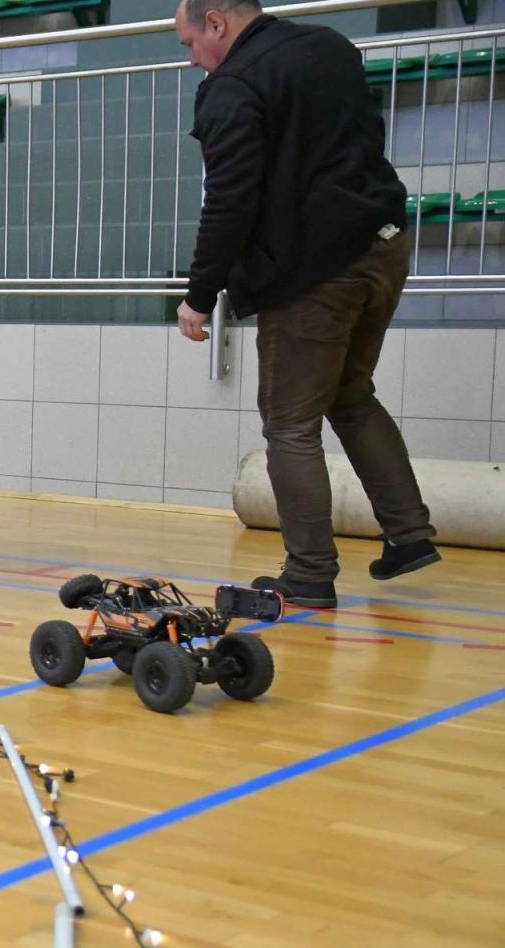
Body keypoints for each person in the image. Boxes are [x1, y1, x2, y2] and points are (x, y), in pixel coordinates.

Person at [173, 0, 439, 609]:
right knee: (349, 393)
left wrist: (198, 295)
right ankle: (409, 533)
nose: (192, 60)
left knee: (290, 423)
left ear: (217, 23)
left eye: (190, 43)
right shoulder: (330, 47)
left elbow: (230, 202)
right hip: (385, 245)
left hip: (318, 271)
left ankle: (310, 573)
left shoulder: (233, 87)